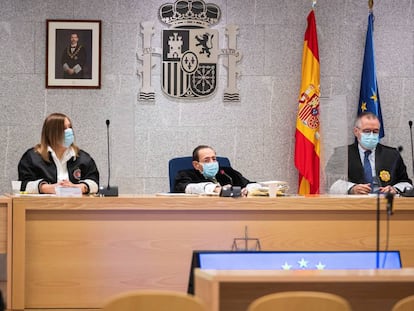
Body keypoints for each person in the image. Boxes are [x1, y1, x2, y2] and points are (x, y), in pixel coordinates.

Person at [327, 112, 412, 195]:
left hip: (385, 203)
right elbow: (329, 182)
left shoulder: (392, 155)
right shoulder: (342, 154)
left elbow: (406, 182)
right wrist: (351, 188)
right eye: (367, 131)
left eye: (375, 132)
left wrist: (395, 189)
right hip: (353, 204)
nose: (371, 135)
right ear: (356, 131)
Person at [18, 113, 99, 194]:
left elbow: (94, 183)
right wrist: (46, 188)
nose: (69, 131)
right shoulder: (32, 157)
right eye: (64, 128)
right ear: (51, 133)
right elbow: (22, 185)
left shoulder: (83, 157)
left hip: (77, 205)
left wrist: (78, 187)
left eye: (70, 127)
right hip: (44, 205)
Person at [174, 145, 257, 195]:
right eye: (206, 160)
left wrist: (249, 190)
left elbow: (251, 184)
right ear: (196, 165)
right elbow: (185, 187)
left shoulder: (226, 173)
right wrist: (216, 189)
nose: (212, 162)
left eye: (214, 159)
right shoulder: (185, 174)